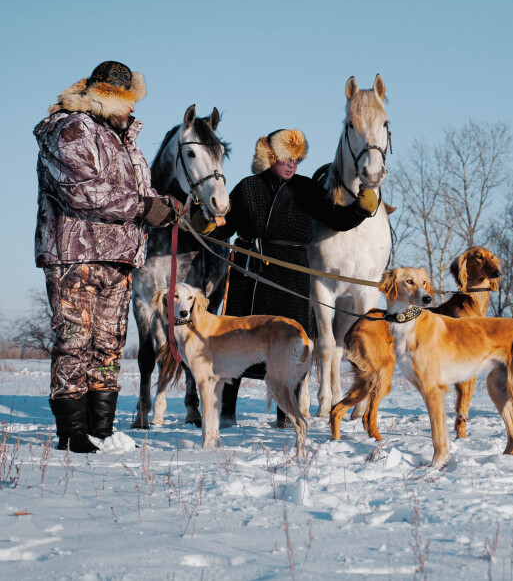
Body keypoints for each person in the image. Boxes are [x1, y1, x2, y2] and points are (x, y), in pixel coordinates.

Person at [35, 61, 177, 452]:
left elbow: (142, 196)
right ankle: (72, 433)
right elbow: (82, 190)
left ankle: (101, 428)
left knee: (109, 345)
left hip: (119, 256)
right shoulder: (70, 128)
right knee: (73, 341)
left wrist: (166, 209)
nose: (134, 108)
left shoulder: (124, 140)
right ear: (107, 97)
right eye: (129, 100)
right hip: (75, 254)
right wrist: (144, 207)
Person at [210, 129, 378, 427]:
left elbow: (336, 219)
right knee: (238, 338)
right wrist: (204, 222)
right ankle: (225, 412)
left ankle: (286, 415)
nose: (292, 165)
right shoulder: (247, 187)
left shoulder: (306, 189)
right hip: (249, 270)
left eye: (297, 159)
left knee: (291, 343)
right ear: (270, 156)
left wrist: (360, 209)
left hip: (291, 271)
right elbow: (225, 228)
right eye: (286, 158)